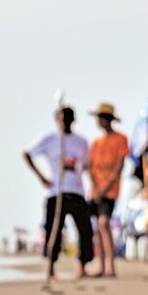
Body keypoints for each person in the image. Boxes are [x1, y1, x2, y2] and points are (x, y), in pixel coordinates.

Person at [23, 106, 93, 280]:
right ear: (56, 119)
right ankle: (51, 267)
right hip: (56, 192)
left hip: (77, 191)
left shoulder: (82, 142)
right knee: (52, 230)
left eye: (68, 117)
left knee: (85, 230)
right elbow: (27, 153)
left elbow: (87, 164)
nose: (65, 121)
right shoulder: (49, 139)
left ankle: (82, 266)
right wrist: (41, 178)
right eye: (62, 118)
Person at [88, 102, 129, 277]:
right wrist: (96, 190)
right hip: (95, 192)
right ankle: (101, 265)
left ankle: (111, 266)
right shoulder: (96, 143)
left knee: (104, 224)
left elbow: (119, 168)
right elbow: (90, 168)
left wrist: (104, 189)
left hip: (110, 191)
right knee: (97, 228)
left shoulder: (121, 139)